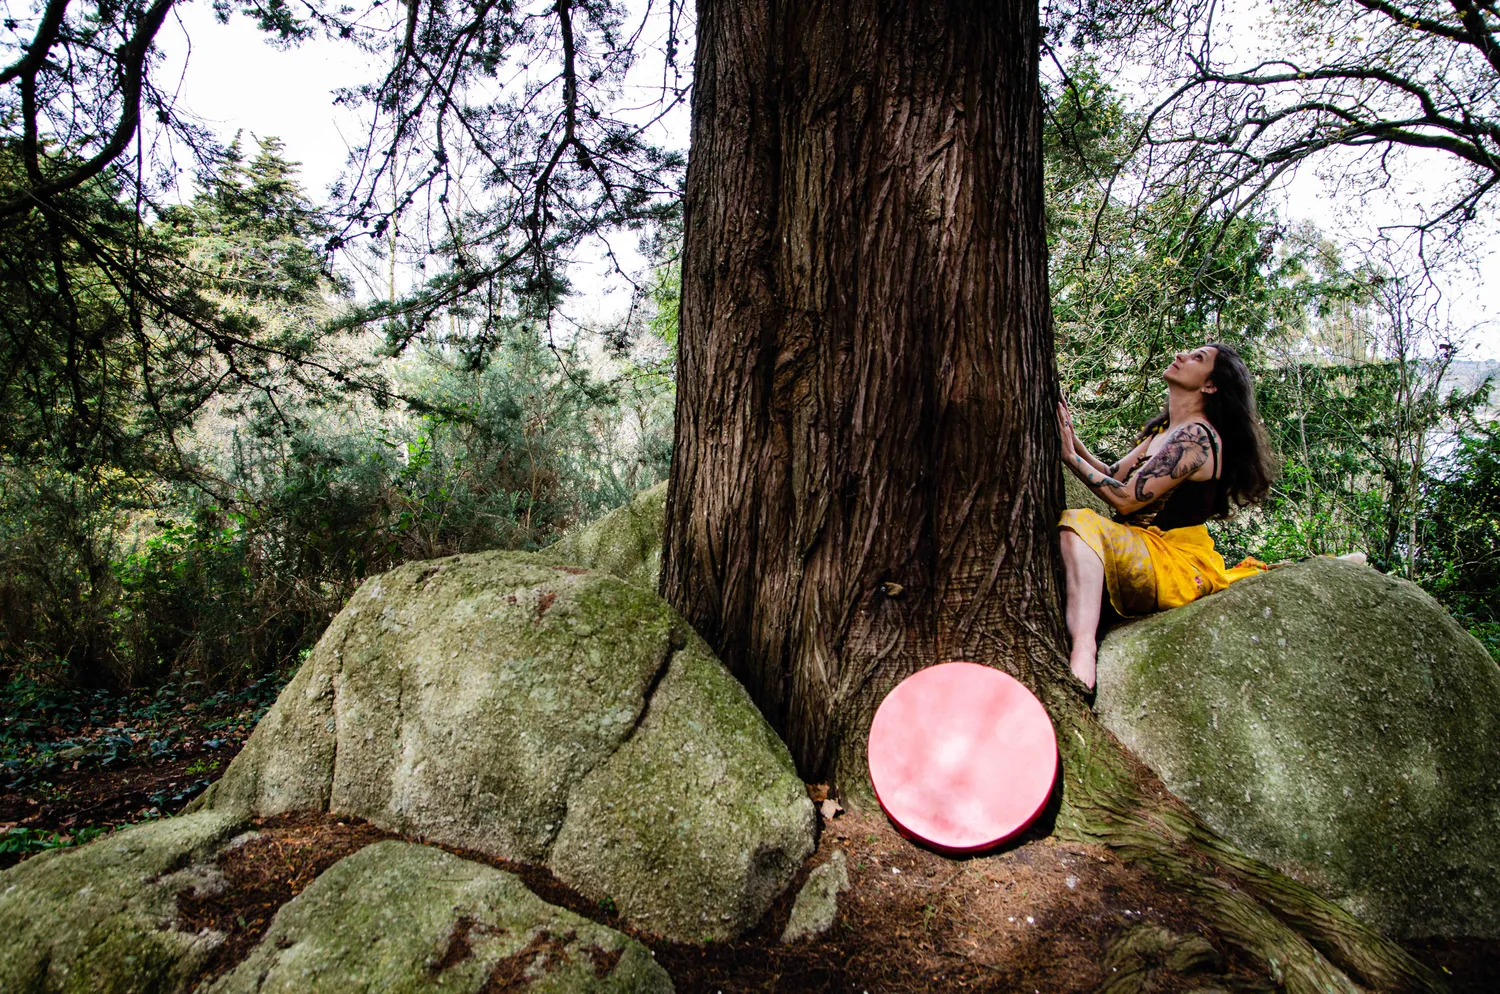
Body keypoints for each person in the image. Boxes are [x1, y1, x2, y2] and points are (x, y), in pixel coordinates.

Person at [1057, 343, 1275, 691]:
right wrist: (1071, 438)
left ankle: (1084, 650)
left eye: (1197, 358)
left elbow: (1126, 499)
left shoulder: (1197, 436)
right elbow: (1113, 472)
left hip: (1173, 560)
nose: (1182, 356)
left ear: (1210, 385)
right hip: (1145, 548)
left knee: (1079, 522)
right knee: (1081, 527)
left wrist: (1069, 457)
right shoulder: (1166, 431)